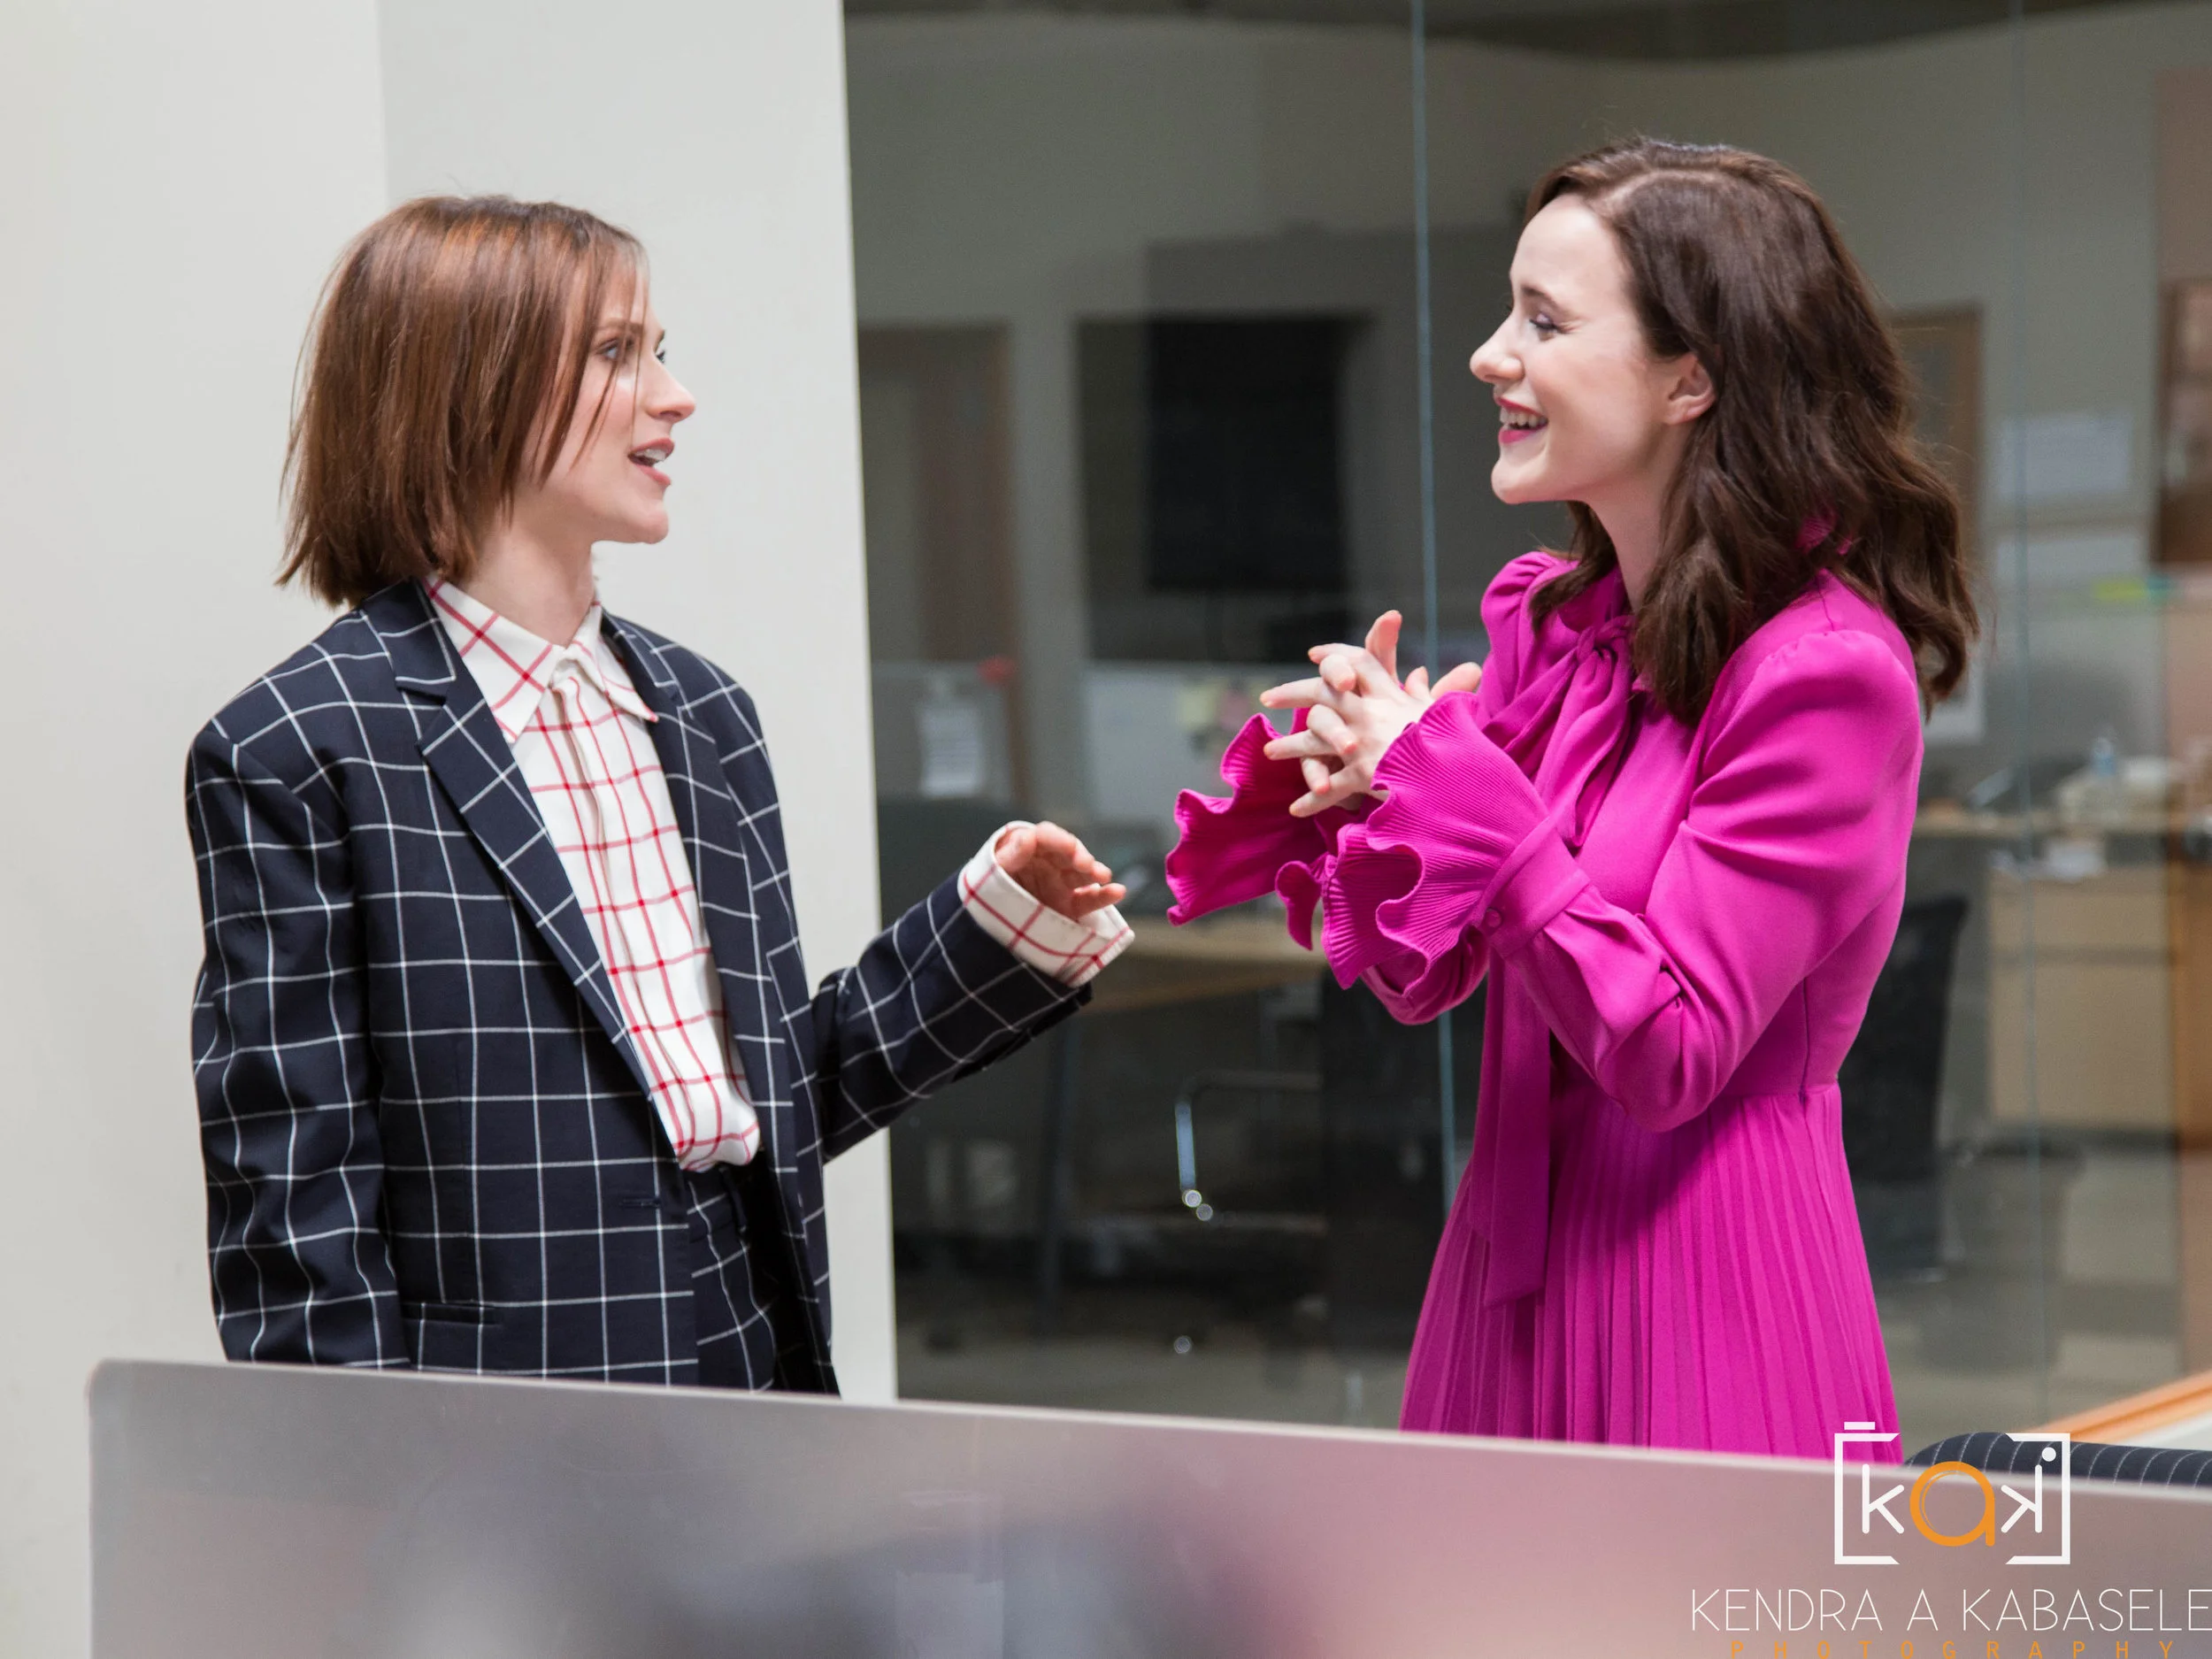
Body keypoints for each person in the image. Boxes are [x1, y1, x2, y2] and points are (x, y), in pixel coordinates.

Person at [187, 196, 1130, 1390]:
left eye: (659, 351)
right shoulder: (295, 748)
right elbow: (297, 1209)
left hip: (754, 1365)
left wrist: (991, 931)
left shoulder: (705, 714)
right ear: (470, 387)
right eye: (617, 352)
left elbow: (766, 1097)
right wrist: (365, 1483)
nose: (675, 397)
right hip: (496, 1425)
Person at [1165, 139, 1976, 1457]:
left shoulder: (1824, 674)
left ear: (1692, 376)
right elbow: (1433, 974)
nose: (1491, 354)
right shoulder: (1552, 627)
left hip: (1710, 1271)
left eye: (1543, 322)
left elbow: (1670, 1051)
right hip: (1507, 1266)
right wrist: (1387, 794)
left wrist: (1467, 794)